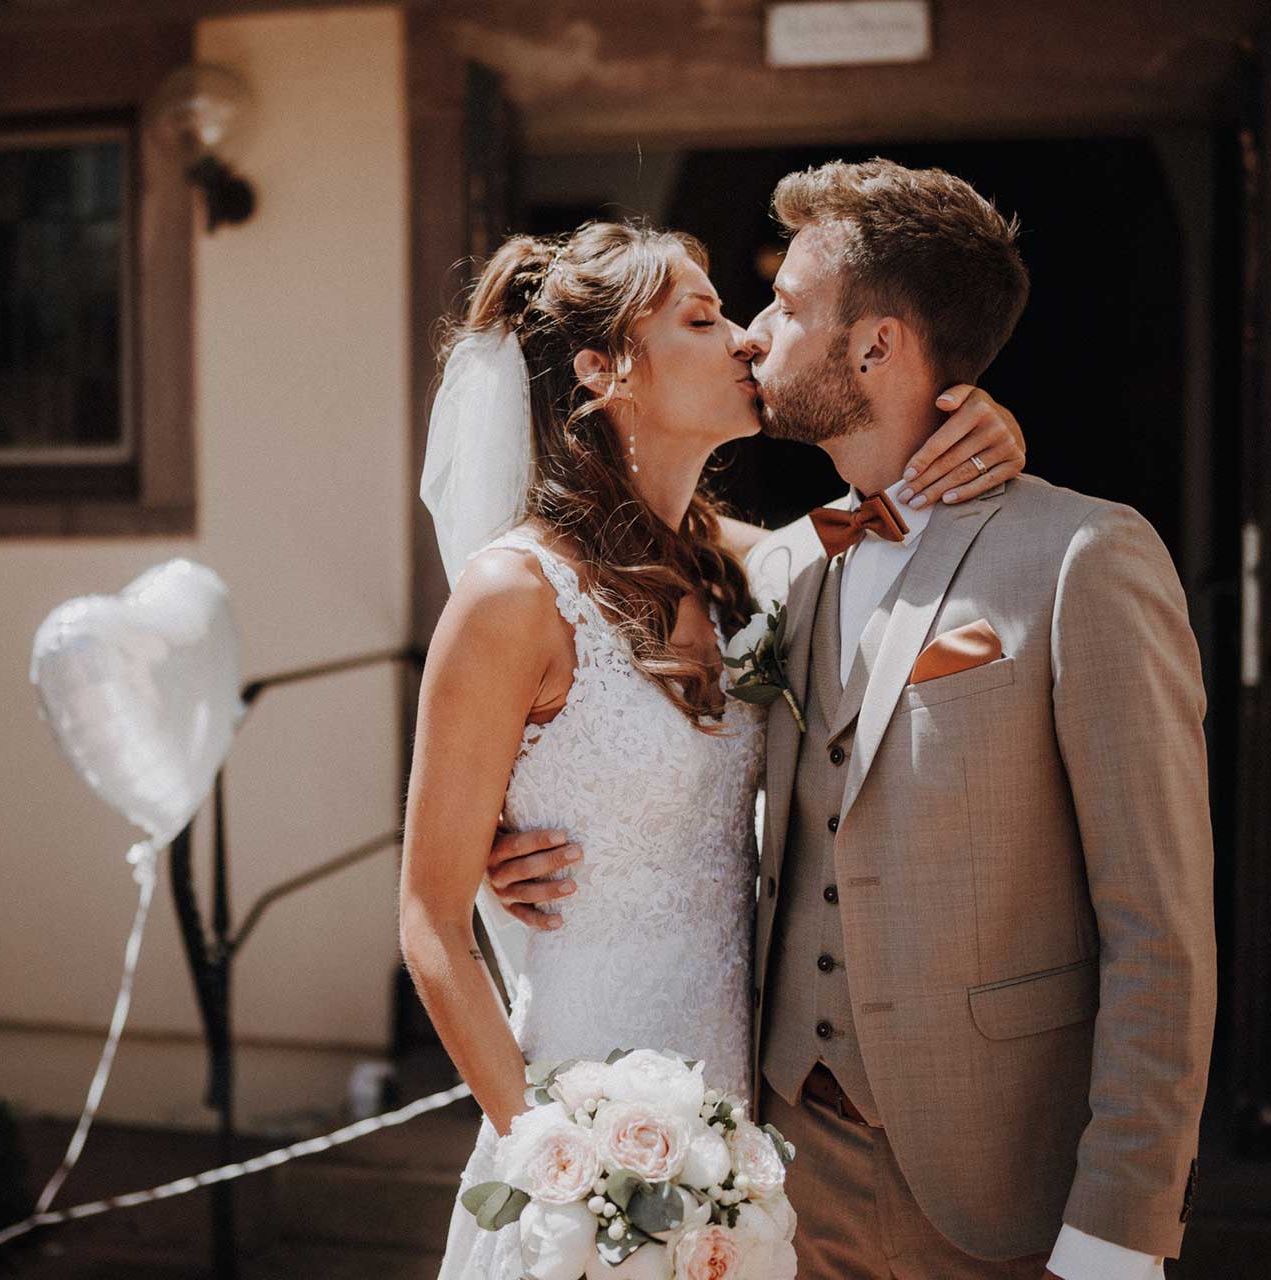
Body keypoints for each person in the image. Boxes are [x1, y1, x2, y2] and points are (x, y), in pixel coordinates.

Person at [496, 160, 1218, 1279]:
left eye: (785, 307)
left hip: (998, 1186)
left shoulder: (1082, 558)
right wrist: (515, 835)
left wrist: (1119, 1229)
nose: (751, 335)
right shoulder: (773, 567)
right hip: (778, 1175)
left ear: (875, 349)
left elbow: (1161, 933)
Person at [399, 220, 1026, 1280]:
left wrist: (992, 430)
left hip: (736, 1133)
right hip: (585, 1134)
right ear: (604, 369)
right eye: (702, 318)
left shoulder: (744, 565)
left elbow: (898, 515)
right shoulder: (514, 596)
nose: (743, 339)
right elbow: (429, 919)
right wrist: (563, 1165)